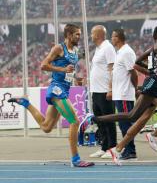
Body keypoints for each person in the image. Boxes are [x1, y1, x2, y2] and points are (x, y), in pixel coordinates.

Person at [81, 21, 157, 165]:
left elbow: (138, 62)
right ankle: (97, 122)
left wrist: (152, 71)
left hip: (156, 83)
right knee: (135, 115)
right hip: (154, 84)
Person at [8, 24, 94, 167]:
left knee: (46, 127)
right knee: (74, 121)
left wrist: (75, 78)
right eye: (77, 34)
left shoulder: (75, 50)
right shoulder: (59, 48)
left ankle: (25, 103)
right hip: (56, 89)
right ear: (68, 35)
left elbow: (68, 71)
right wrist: (63, 69)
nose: (79, 37)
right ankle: (76, 159)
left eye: (80, 34)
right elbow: (43, 65)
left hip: (65, 88)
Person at [88, 25, 117, 159]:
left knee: (109, 120)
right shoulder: (98, 49)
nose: (91, 35)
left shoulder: (108, 47)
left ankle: (113, 148)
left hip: (105, 90)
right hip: (96, 90)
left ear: (99, 35)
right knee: (100, 121)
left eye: (93, 33)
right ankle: (104, 147)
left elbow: (112, 69)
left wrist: (110, 89)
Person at [110, 29, 138, 160]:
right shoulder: (119, 52)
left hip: (125, 94)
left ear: (119, 38)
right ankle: (128, 149)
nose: (112, 38)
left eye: (113, 36)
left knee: (126, 123)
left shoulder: (127, 52)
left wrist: (135, 88)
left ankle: (131, 150)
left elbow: (133, 72)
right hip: (119, 94)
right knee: (122, 124)